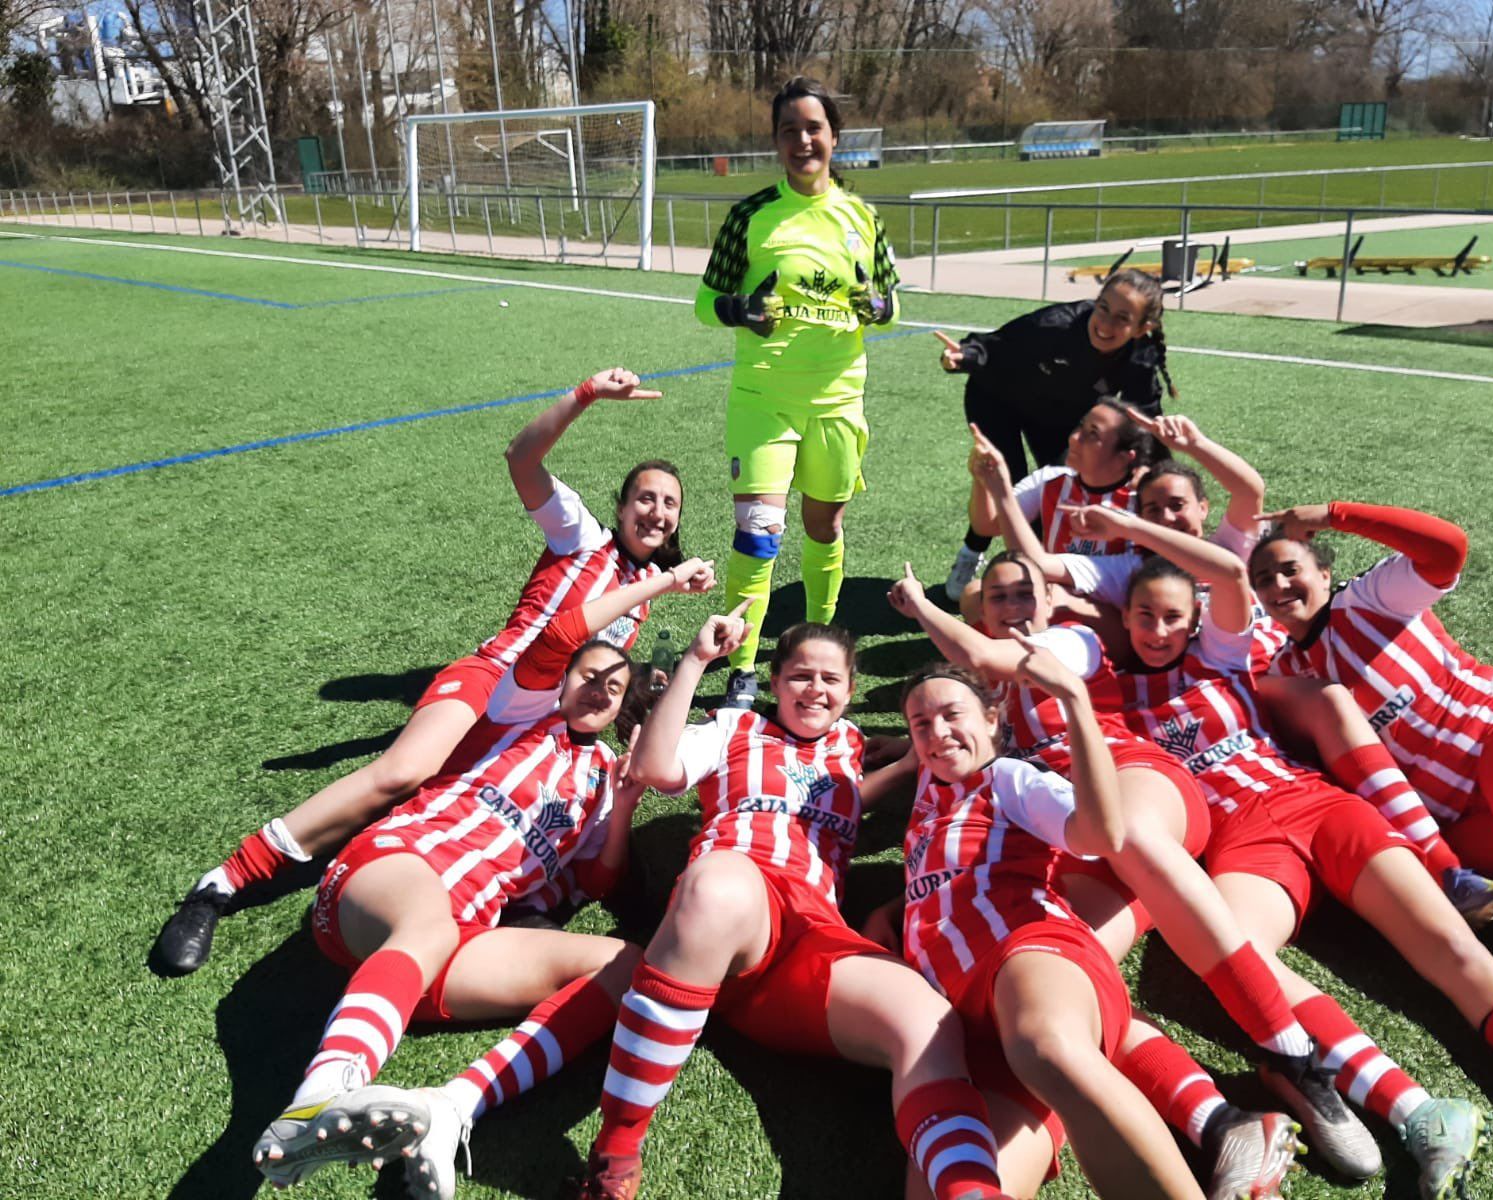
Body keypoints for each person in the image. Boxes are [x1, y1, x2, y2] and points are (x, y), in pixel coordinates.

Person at [1111, 511, 1493, 1185]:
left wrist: (1327, 514)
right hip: (1304, 833)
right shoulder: (1139, 696)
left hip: (1411, 775)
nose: (1160, 630)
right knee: (1232, 953)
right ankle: (1420, 1112)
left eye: (1174, 616)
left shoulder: (1280, 638)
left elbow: (1444, 550)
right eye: (1143, 616)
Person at [154, 368, 689, 975]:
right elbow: (521, 457)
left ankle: (508, 906)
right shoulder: (581, 533)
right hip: (499, 678)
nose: (657, 511)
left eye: (670, 504)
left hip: (540, 722)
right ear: (621, 506)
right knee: (404, 772)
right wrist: (585, 395)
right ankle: (221, 885)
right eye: (646, 497)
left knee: (508, 810)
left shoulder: (648, 590)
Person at [250, 556, 715, 1190]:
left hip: (453, 942)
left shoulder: (602, 784)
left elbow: (599, 883)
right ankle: (325, 1088)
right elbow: (555, 637)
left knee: (626, 967)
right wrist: (665, 582)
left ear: (619, 713)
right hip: (384, 877)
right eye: (589, 673)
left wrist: (627, 803)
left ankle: (451, 1109)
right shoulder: (517, 712)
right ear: (561, 682)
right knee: (428, 926)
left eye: (614, 686)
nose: (600, 687)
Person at [887, 554, 1356, 1135]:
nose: (1012, 607)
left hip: (1126, 778)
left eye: (1023, 593)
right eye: (998, 599)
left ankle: (1288, 1049)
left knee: (1131, 834)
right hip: (1069, 826)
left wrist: (918, 600)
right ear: (982, 612)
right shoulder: (971, 705)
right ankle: (1220, 1122)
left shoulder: (1071, 639)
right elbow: (946, 725)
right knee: (1066, 977)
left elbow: (982, 656)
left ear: (1050, 599)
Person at [981, 435, 1493, 928]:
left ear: (1202, 509)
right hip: (1234, 692)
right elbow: (1039, 566)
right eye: (1150, 509)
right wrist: (1005, 496)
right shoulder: (1131, 569)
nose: (1166, 516)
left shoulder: (1232, 546)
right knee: (1320, 701)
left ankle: (1442, 866)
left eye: (1177, 506)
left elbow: (1250, 491)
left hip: (1270, 676)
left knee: (1327, 698)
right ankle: (1434, 866)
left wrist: (1192, 443)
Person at [574, 614, 1016, 1200]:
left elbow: (848, 799)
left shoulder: (850, 745)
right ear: (775, 682)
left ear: (850, 691)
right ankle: (616, 1150)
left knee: (927, 1023)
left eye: (830, 679)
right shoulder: (735, 727)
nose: (816, 689)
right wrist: (694, 662)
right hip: (733, 912)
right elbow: (657, 768)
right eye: (800, 676)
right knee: (718, 887)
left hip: (815, 938)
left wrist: (909, 762)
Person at [889, 660, 1296, 1200]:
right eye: (920, 724)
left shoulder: (1009, 780)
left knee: (1048, 1048)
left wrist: (1075, 702)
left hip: (1027, 949)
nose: (937, 733)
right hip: (961, 1021)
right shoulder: (926, 807)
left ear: (991, 719)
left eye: (951, 715)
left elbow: (1097, 832)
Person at [1250, 500, 1493, 958]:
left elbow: (1448, 548)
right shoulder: (1288, 674)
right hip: (1457, 821)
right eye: (1262, 579)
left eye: (1289, 569)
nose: (1277, 584)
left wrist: (1334, 514)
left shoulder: (1367, 598)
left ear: (1322, 573)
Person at [695, 76, 900, 710]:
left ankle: (822, 643)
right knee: (757, 534)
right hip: (764, 400)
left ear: (834, 138)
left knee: (824, 526)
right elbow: (706, 303)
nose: (802, 140)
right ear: (777, 141)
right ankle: (744, 666)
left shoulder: (863, 217)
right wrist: (740, 310)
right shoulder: (751, 215)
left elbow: (891, 305)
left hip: (838, 399)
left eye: (814, 128)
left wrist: (877, 305)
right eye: (790, 130)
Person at [936, 269, 1174, 600]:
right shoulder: (1057, 324)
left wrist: (1160, 476)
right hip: (997, 399)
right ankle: (971, 554)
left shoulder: (1140, 355)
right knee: (1009, 484)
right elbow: (995, 346)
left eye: (1122, 318)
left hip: (1059, 416)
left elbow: (1145, 417)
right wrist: (962, 357)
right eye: (1102, 308)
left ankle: (1041, 578)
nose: (1105, 324)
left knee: (1059, 490)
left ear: (1141, 328)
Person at [954, 403, 1165, 625]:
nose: (1074, 438)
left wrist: (1002, 489)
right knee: (974, 595)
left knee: (1022, 604)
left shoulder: (1142, 501)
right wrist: (982, 479)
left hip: (1108, 615)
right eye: (1080, 427)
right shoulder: (1052, 480)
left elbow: (1039, 564)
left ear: (1124, 457)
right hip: (1048, 593)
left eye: (1092, 434)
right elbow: (986, 526)